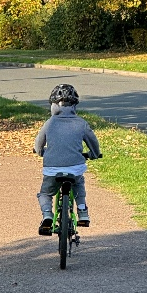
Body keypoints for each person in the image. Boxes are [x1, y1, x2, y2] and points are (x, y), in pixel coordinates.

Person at [34, 84, 101, 236]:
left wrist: (41, 152)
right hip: (75, 167)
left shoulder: (50, 123)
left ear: (53, 105)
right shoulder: (81, 123)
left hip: (52, 168)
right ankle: (82, 212)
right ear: (74, 106)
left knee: (45, 193)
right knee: (78, 184)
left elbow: (38, 144)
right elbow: (93, 143)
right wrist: (94, 154)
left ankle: (47, 215)